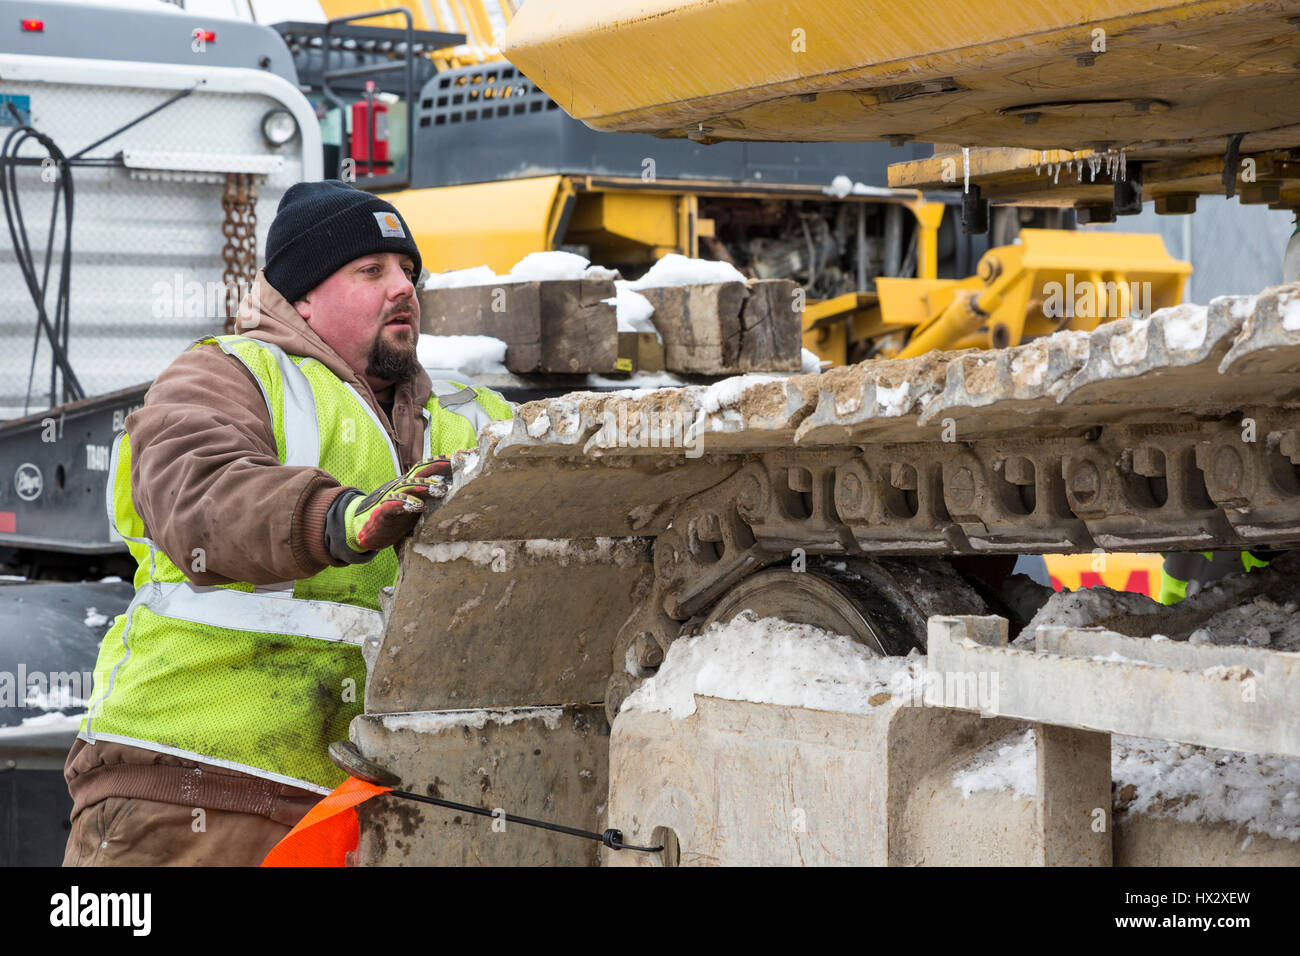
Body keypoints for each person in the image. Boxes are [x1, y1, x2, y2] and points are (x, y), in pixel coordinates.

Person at [62, 180, 513, 865]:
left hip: (353, 808)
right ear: (301, 297)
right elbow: (198, 491)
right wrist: (334, 518)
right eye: (371, 270)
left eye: (408, 271)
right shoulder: (227, 375)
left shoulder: (470, 414)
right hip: (191, 788)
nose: (403, 289)